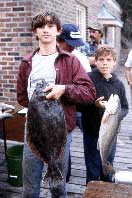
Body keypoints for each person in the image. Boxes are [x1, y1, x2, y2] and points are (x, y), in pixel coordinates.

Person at [17, 11, 96, 198]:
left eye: (51, 26)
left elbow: (89, 93)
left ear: (58, 31)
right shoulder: (26, 62)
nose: (46, 30)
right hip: (33, 130)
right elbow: (21, 97)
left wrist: (64, 90)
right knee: (29, 187)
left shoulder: (71, 61)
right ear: (34, 32)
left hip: (61, 131)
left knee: (59, 188)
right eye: (41, 26)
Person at [81, 45, 128, 184]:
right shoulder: (88, 78)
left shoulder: (119, 84)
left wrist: (118, 114)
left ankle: (107, 185)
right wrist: (93, 104)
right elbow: (79, 103)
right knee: (93, 167)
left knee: (107, 162)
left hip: (111, 134)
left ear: (114, 62)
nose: (105, 63)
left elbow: (125, 107)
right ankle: (92, 187)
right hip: (91, 132)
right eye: (101, 59)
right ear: (95, 61)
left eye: (108, 59)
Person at [57, 23, 91, 183]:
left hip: (81, 109)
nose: (72, 48)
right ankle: (66, 176)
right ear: (59, 39)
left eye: (75, 45)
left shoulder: (80, 58)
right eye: (70, 44)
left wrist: (66, 89)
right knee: (64, 145)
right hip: (61, 112)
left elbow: (88, 87)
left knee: (91, 139)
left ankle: (93, 177)